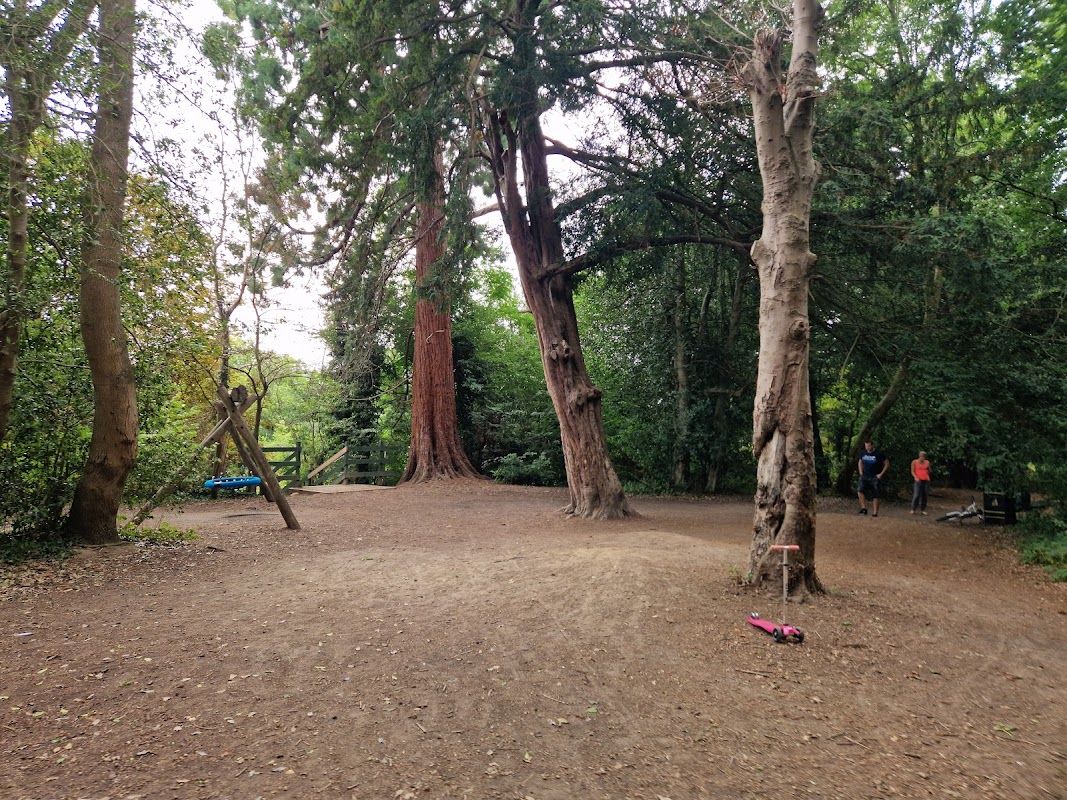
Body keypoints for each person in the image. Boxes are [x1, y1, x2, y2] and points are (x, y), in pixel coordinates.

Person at [857, 440, 889, 517]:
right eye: (866, 446)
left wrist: (881, 474)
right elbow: (860, 462)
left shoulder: (879, 454)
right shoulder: (863, 453)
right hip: (865, 475)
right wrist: (861, 472)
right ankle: (863, 508)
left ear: (872, 445)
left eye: (869, 446)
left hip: (874, 476)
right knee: (860, 490)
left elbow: (887, 463)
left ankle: (875, 513)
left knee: (875, 494)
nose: (867, 448)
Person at [910, 450, 931, 515]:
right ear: (920, 456)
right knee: (916, 495)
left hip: (926, 480)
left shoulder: (927, 462)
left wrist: (927, 476)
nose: (923, 458)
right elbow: (912, 471)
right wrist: (915, 477)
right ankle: (913, 508)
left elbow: (929, 470)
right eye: (922, 457)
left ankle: (923, 509)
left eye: (924, 457)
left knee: (925, 495)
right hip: (918, 480)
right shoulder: (914, 462)